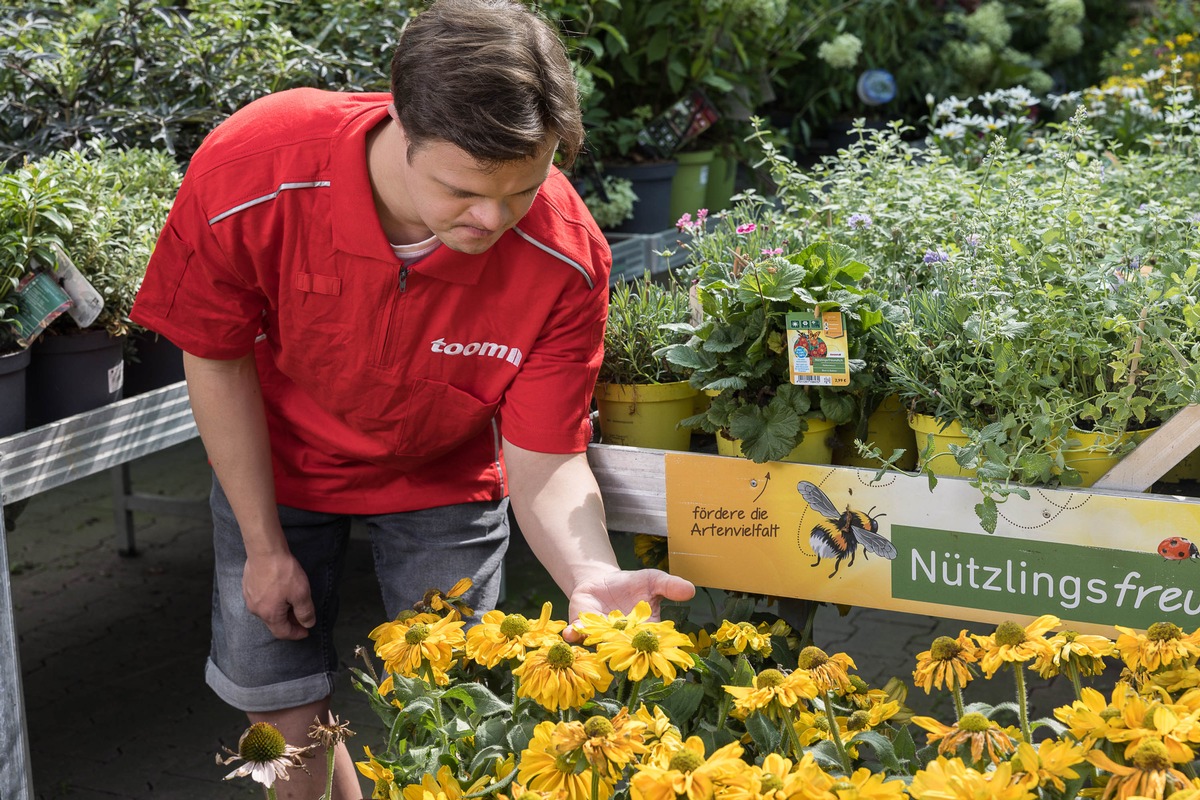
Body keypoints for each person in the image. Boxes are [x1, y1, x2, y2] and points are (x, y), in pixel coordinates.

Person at [129, 0, 696, 797]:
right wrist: (262, 545)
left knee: (455, 706)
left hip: (444, 474)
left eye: (523, 189)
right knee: (280, 709)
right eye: (463, 190)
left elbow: (545, 455)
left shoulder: (564, 255)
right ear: (400, 120)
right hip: (276, 461)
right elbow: (216, 358)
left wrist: (589, 572)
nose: (493, 219)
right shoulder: (255, 169)